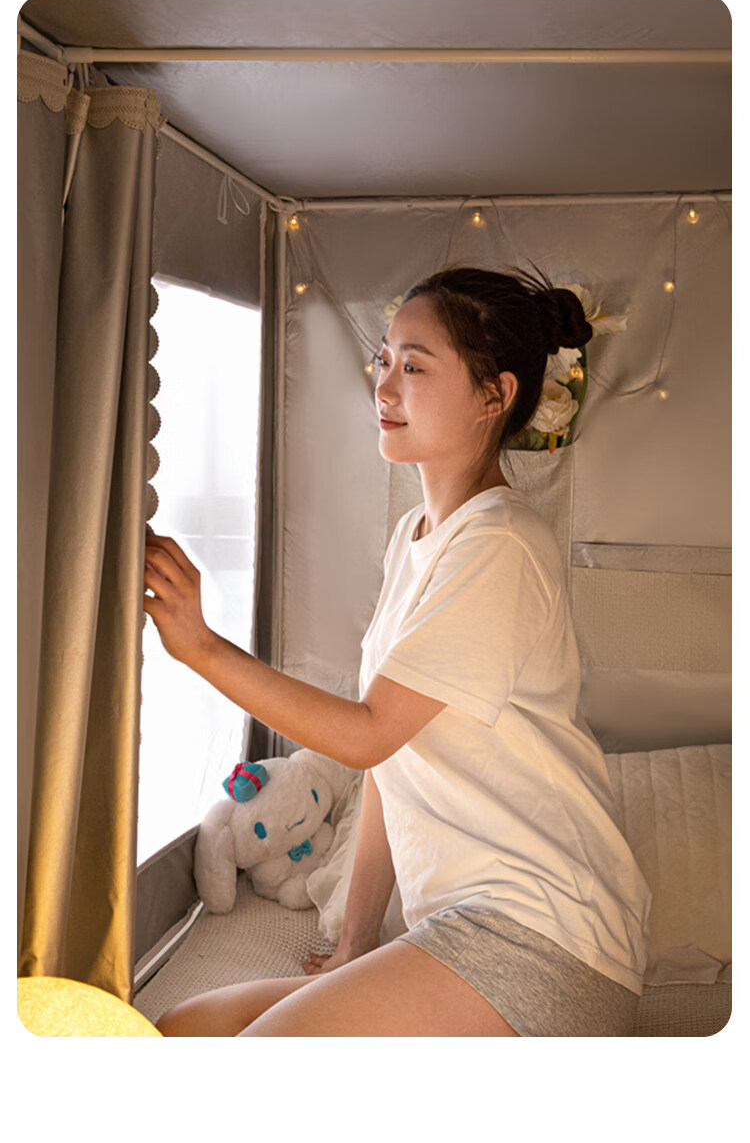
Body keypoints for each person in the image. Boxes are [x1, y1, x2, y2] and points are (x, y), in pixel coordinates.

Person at [145, 265, 651, 1037]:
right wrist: (355, 943)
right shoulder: (416, 538)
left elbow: (368, 734)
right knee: (183, 1029)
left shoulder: (500, 546)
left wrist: (203, 650)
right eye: (383, 360)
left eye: (413, 367)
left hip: (545, 938)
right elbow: (394, 759)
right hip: (461, 929)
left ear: (495, 395)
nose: (382, 388)